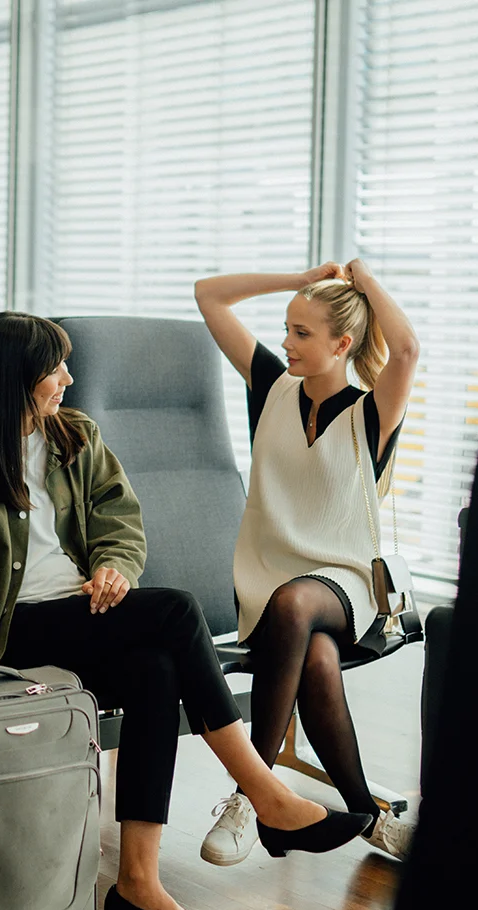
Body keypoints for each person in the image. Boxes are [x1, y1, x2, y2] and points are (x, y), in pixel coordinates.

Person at [0, 311, 373, 910]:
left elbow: (121, 522)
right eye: (54, 369)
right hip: (8, 632)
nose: (68, 379)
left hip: (79, 616)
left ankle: (137, 884)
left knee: (156, 667)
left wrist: (112, 568)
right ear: (15, 379)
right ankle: (262, 791)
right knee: (177, 611)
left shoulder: (75, 436)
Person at [192, 259, 420, 864]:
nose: (287, 343)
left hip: (342, 584)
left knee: (299, 604)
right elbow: (209, 295)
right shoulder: (271, 388)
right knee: (314, 656)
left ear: (342, 343)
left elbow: (406, 349)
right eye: (287, 329)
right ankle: (368, 817)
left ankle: (251, 795)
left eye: (303, 333)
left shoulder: (371, 412)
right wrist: (300, 280)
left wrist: (365, 281)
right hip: (266, 579)